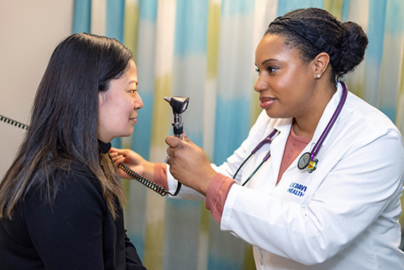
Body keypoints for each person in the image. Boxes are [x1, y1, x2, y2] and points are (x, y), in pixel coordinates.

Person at [110, 7, 404, 270]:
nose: (259, 84)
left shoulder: (374, 139)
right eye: (259, 70)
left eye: (272, 69)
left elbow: (315, 239)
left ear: (318, 65)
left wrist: (207, 179)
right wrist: (147, 171)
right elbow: (232, 176)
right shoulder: (274, 119)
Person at [0, 33, 147, 270]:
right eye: (131, 90)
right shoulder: (65, 184)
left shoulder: (96, 159)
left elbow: (118, 244)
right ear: (92, 94)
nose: (139, 102)